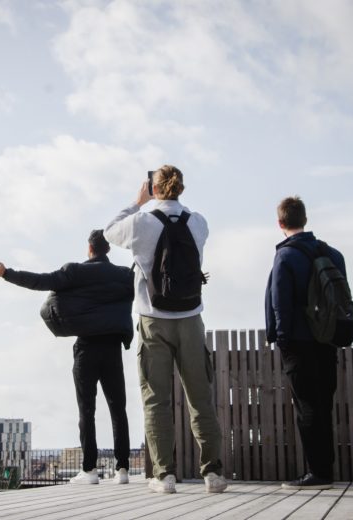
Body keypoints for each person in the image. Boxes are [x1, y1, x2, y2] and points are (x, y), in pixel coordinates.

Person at [104, 165, 227, 494]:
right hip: (190, 318)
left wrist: (136, 201)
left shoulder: (141, 222)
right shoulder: (198, 222)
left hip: (153, 318)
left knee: (156, 401)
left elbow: (108, 232)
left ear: (153, 188)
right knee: (201, 399)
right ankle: (213, 473)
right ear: (180, 188)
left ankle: (165, 475)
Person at [0, 230, 133, 485]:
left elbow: (41, 281)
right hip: (112, 347)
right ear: (108, 249)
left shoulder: (75, 272)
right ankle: (123, 470)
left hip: (86, 348)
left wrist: (6, 274)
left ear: (90, 248)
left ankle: (89, 470)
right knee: (118, 408)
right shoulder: (122, 275)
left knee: (87, 410)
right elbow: (150, 285)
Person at [265, 196, 346, 490]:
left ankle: (318, 473)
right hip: (327, 341)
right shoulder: (333, 254)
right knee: (324, 404)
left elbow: (280, 304)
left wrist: (282, 340)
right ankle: (325, 469)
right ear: (305, 220)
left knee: (307, 407)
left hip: (298, 342)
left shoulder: (285, 257)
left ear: (280, 223)